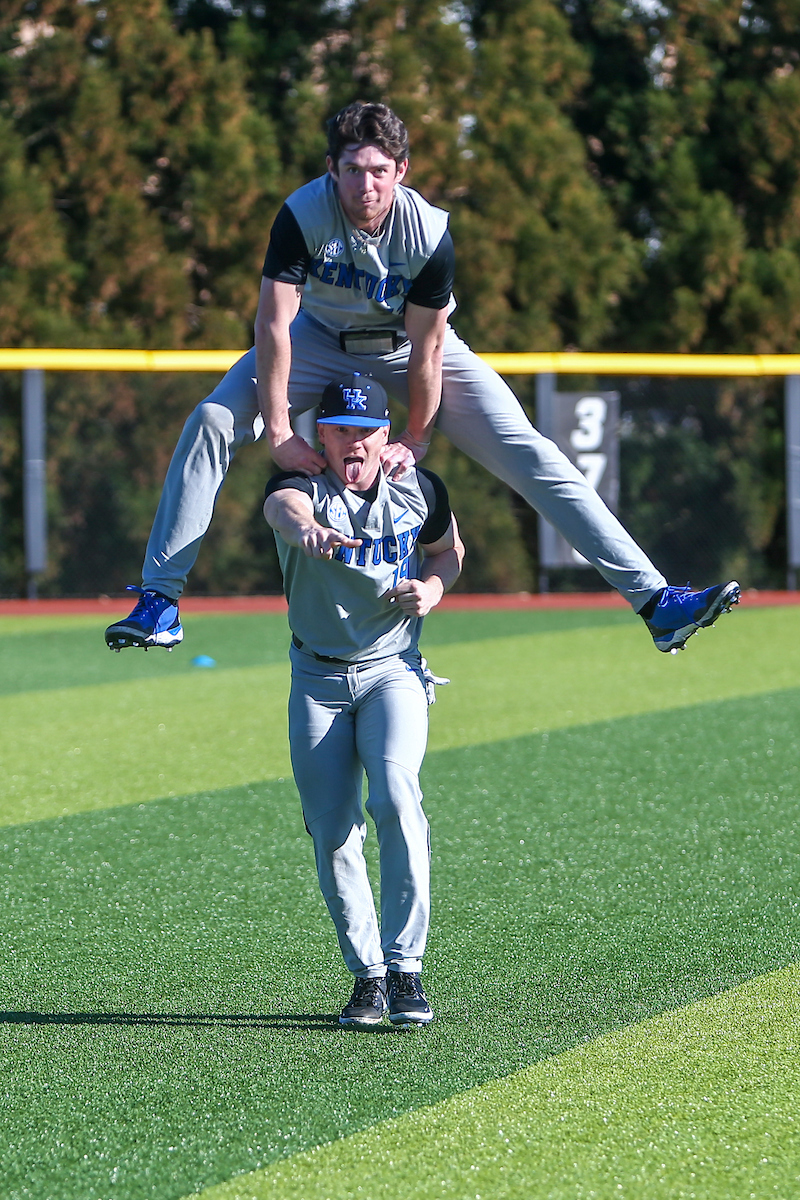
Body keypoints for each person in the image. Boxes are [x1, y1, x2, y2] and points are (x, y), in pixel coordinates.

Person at [104, 100, 740, 657]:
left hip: (408, 349)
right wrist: (276, 429)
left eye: (379, 170)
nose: (365, 185)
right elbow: (272, 325)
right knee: (213, 419)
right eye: (352, 169)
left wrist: (418, 437)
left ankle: (657, 602)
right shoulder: (302, 214)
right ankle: (160, 601)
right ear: (333, 169)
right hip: (315, 343)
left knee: (531, 452)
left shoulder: (430, 232)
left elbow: (429, 348)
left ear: (400, 172)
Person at [264, 372, 464, 1026]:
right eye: (339, 429)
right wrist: (308, 531)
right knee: (332, 829)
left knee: (397, 797)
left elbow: (449, 552)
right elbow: (281, 511)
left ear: (386, 438)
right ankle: (368, 976)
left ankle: (407, 968)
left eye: (365, 430)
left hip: (392, 670)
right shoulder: (301, 488)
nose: (353, 441)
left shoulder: (418, 490)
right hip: (317, 681)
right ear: (320, 437)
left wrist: (432, 590)